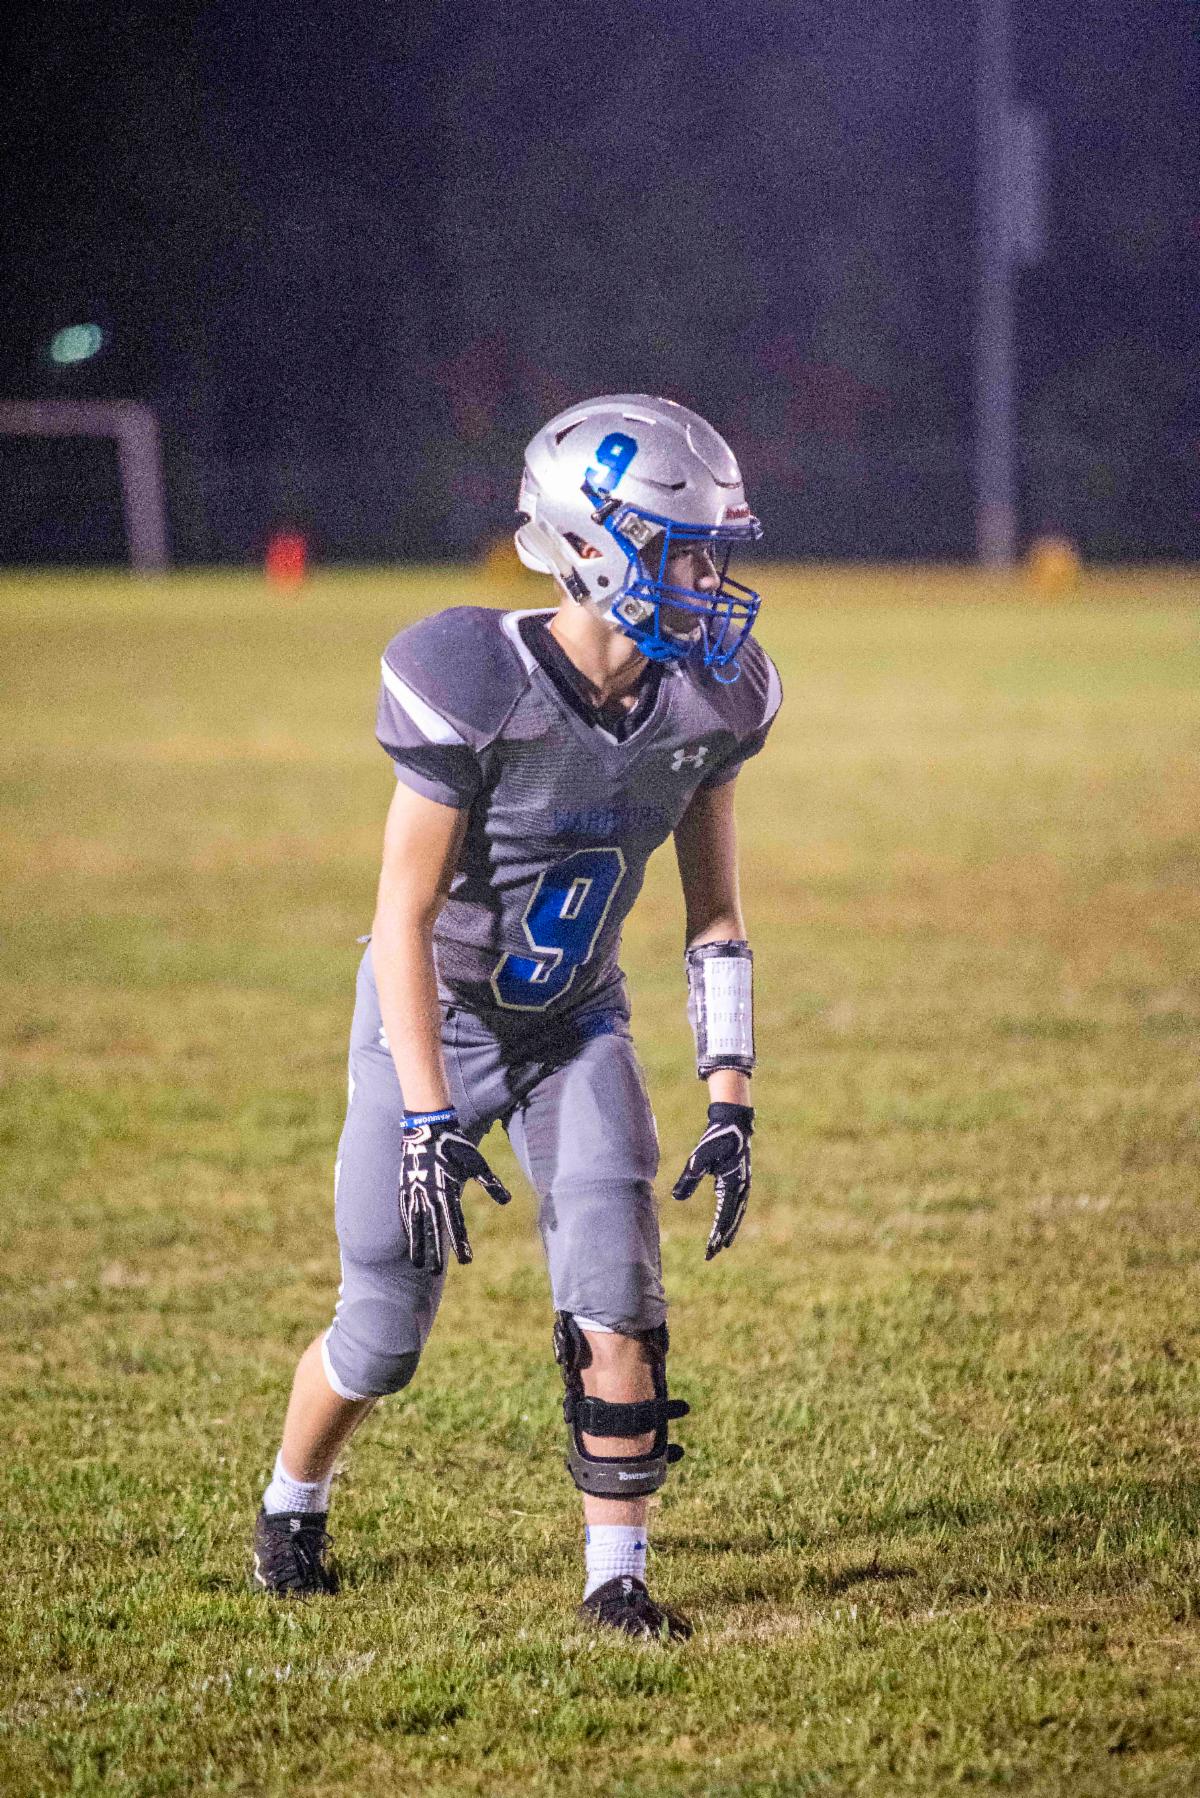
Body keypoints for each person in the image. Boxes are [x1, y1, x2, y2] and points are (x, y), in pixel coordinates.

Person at [250, 395, 782, 1638]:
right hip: (432, 1017)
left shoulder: (712, 699)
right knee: (382, 1332)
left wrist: (731, 1097)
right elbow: (400, 916)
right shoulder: (472, 676)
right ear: (592, 547)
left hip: (576, 1023)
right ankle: (292, 1500)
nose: (708, 583)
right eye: (683, 552)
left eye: (714, 555)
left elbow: (715, 915)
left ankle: (616, 1577)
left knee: (617, 1286)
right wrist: (426, 1117)